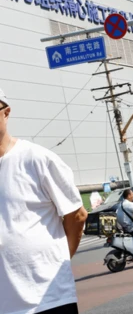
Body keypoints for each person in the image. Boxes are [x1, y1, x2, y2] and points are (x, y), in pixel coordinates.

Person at [0, 87, 88, 314]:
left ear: (6, 112)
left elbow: (76, 215)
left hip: (49, 297)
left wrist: (61, 261)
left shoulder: (36, 158)